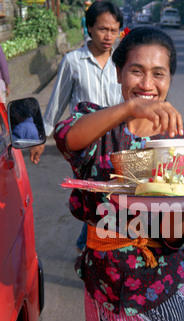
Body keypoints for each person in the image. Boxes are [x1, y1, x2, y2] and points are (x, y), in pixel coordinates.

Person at [54, 26, 184, 321]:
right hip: (103, 289)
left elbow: (180, 232)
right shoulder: (95, 122)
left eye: (159, 74)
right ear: (119, 73)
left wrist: (173, 200)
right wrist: (127, 109)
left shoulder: (180, 144)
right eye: (137, 71)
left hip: (159, 291)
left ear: (170, 80)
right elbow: (66, 138)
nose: (148, 84)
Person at [31, 1, 124, 253]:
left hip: (118, 145)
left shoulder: (122, 61)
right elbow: (57, 102)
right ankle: (89, 246)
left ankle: (94, 246)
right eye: (103, 29)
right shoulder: (73, 61)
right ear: (90, 27)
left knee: (112, 197)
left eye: (114, 30)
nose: (108, 36)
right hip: (85, 147)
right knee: (94, 195)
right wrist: (42, 137)